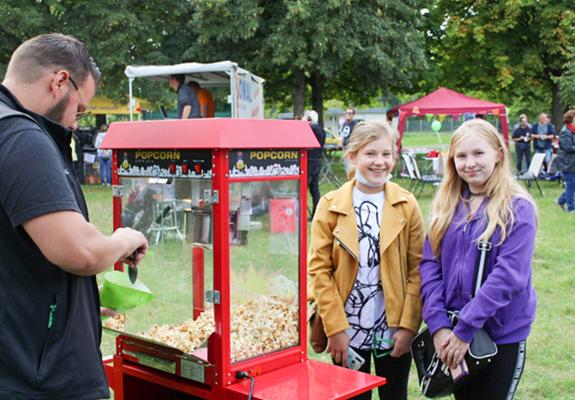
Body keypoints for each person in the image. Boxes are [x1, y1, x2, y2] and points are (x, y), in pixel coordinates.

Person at [0, 33, 149, 399]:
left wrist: (73, 306)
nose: (74, 124)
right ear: (59, 82)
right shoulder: (20, 137)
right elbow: (81, 252)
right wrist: (127, 237)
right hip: (41, 381)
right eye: (79, 109)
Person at [419, 119, 537, 400]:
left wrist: (465, 330)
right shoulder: (447, 207)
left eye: (478, 153)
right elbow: (429, 265)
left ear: (498, 154)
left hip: (500, 335)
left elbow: (509, 276)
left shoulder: (518, 209)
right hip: (451, 332)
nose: (469, 163)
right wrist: (438, 326)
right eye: (461, 156)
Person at [308, 120, 424, 400]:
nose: (379, 162)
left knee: (394, 394)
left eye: (386, 154)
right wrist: (335, 328)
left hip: (392, 329)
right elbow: (320, 270)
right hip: (347, 332)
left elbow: (418, 270)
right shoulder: (330, 205)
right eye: (370, 154)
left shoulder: (407, 206)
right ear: (352, 156)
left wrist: (408, 326)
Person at [304, 110, 326, 219]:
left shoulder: (312, 129)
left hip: (310, 161)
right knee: (314, 189)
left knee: (303, 188)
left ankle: (301, 214)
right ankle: (316, 214)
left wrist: (303, 123)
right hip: (317, 160)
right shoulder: (321, 129)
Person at [555, 110, 575, 213]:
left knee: (573, 184)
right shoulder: (565, 131)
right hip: (567, 163)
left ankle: (560, 200)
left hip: (572, 162)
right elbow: (567, 147)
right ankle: (571, 208)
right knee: (571, 184)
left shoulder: (572, 130)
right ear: (571, 119)